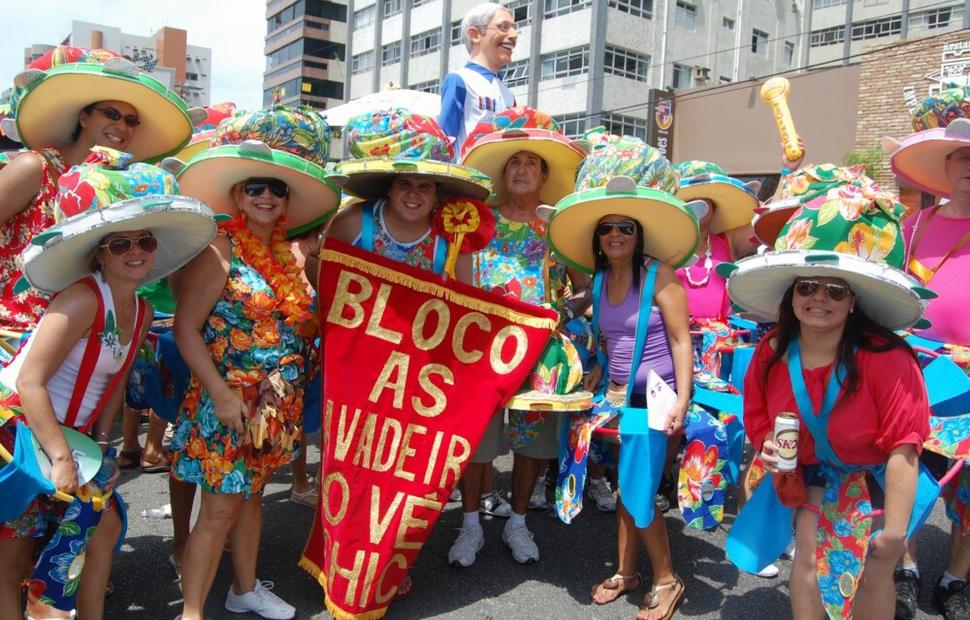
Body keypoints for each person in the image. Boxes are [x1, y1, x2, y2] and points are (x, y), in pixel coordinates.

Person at [0, 148, 215, 620]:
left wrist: (103, 449)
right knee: (15, 555)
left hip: (70, 441)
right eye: (120, 244)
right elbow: (31, 383)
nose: (135, 252)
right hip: (20, 432)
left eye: (145, 241)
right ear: (98, 250)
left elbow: (114, 384)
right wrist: (61, 457)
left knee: (101, 532)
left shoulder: (138, 309)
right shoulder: (80, 300)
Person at [725, 168, 936, 619]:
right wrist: (766, 443)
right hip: (811, 475)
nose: (820, 297)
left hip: (872, 483)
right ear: (792, 293)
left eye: (836, 289)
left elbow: (905, 449)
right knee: (806, 563)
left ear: (854, 299)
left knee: (872, 574)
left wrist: (896, 534)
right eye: (808, 286)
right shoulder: (772, 350)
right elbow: (757, 413)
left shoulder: (888, 359)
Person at [168, 107, 340, 620]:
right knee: (219, 509)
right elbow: (184, 328)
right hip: (228, 401)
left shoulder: (292, 256)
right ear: (238, 197)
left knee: (253, 498)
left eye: (277, 189)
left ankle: (244, 589)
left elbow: (305, 321)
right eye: (255, 187)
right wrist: (220, 394)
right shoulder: (220, 249)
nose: (267, 196)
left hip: (276, 404)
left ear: (288, 201)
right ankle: (192, 612)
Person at [545, 137, 699, 620]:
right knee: (626, 488)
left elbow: (681, 341)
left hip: (656, 398)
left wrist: (683, 401)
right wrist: (592, 374)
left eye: (625, 228)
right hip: (617, 397)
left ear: (638, 234)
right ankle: (628, 571)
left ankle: (668, 579)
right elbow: (610, 341)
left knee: (636, 488)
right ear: (598, 237)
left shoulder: (661, 275)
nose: (615, 235)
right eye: (608, 228)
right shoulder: (596, 281)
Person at [451, 117, 590, 567]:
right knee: (477, 440)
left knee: (535, 442)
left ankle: (518, 520)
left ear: (544, 176)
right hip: (484, 349)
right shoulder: (479, 220)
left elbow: (586, 287)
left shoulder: (558, 225)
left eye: (532, 163)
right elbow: (459, 280)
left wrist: (564, 313)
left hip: (542, 349)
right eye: (514, 162)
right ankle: (470, 524)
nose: (522, 169)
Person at [0, 45, 194, 333]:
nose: (121, 126)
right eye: (111, 114)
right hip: (14, 332)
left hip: (84, 337)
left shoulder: (118, 186)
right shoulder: (35, 167)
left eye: (130, 121)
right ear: (83, 117)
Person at [888, 90, 970, 620]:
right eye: (964, 156)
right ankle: (907, 566)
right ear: (946, 165)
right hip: (916, 372)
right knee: (907, 470)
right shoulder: (911, 226)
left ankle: (957, 577)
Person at [439, 2, 517, 155]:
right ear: (475, 34)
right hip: (467, 175)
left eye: (514, 28)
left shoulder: (508, 95)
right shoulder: (460, 80)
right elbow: (443, 142)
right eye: (504, 27)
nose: (513, 35)